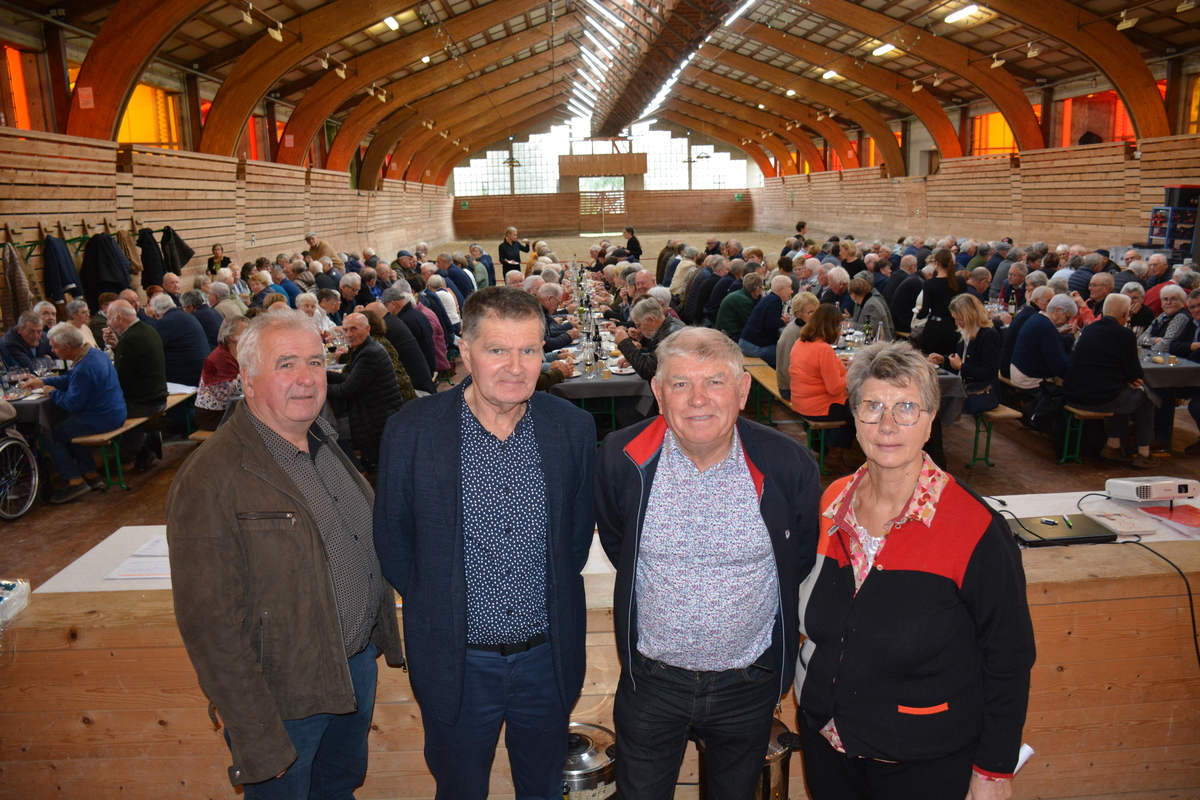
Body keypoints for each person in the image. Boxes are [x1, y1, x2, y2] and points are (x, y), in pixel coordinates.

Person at [167, 311, 402, 796]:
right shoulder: (213, 477)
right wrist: (255, 733)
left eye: (315, 362)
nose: (307, 378)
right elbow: (209, 624)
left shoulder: (324, 441)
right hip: (284, 697)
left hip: (354, 666)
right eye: (286, 364)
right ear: (249, 380)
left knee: (338, 788)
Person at [374, 286, 596, 799]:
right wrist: (438, 601)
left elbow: (574, 541)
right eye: (497, 349)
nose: (515, 367)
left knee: (542, 788)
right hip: (456, 660)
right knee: (459, 788)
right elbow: (393, 542)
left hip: (546, 659)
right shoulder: (412, 431)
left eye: (529, 350)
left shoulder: (572, 428)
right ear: (465, 350)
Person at [797, 340, 1035, 800]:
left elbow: (1009, 658)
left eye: (906, 407)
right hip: (828, 744)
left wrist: (993, 770)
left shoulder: (976, 528)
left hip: (923, 760)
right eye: (872, 407)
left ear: (930, 421)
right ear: (854, 416)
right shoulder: (832, 503)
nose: (887, 424)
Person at [593, 326, 821, 800]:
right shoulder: (621, 457)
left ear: (742, 390)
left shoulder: (788, 464)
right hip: (651, 682)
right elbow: (619, 543)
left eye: (715, 382)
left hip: (748, 683)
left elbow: (795, 559)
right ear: (659, 393)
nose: (698, 399)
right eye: (680, 384)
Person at [23, 322, 125, 503]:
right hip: (115, 411)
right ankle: (90, 474)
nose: (53, 351)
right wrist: (44, 382)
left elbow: (72, 404)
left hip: (102, 419)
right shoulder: (94, 354)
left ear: (67, 347)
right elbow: (71, 380)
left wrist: (52, 393)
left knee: (50, 433)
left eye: (55, 347)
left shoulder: (83, 369)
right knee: (71, 426)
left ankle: (74, 480)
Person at [1065, 293, 1157, 468]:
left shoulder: (1089, 329)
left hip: (1072, 394)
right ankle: (1144, 453)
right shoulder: (1125, 335)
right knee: (1146, 399)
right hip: (1100, 399)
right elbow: (1135, 373)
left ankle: (1114, 445)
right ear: (1125, 315)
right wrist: (1130, 378)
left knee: (1122, 393)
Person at [326, 312, 405, 472]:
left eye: (354, 329)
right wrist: (324, 375)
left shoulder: (369, 354)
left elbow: (346, 390)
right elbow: (352, 379)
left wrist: (318, 386)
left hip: (376, 421)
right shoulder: (368, 348)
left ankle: (356, 471)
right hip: (378, 414)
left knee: (328, 431)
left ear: (367, 329)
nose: (348, 334)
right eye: (345, 330)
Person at [103, 300, 167, 469]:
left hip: (144, 404)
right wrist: (117, 347)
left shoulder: (131, 339)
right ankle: (142, 445)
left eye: (109, 318)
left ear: (119, 317)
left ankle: (136, 448)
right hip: (157, 397)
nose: (108, 323)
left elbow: (119, 378)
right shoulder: (147, 330)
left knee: (100, 411)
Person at [789, 304, 854, 472]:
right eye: (838, 326)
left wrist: (838, 363)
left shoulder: (800, 342)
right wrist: (851, 373)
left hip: (800, 401)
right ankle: (835, 458)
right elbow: (835, 389)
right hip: (818, 406)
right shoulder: (823, 349)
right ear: (831, 327)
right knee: (857, 413)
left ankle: (824, 448)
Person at [928, 294, 1001, 415]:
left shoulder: (988, 335)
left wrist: (962, 367)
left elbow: (989, 371)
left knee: (937, 403)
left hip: (980, 391)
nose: (956, 322)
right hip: (964, 385)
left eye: (959, 319)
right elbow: (963, 358)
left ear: (970, 316)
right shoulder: (965, 331)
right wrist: (945, 360)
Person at [1009, 293, 1075, 389]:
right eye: (1067, 317)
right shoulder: (1047, 327)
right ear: (1057, 310)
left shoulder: (1037, 317)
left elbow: (1056, 343)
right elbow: (1060, 365)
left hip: (1020, 373)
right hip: (1029, 381)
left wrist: (1069, 335)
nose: (1067, 322)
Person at [194, 315, 248, 431]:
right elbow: (232, 394)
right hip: (213, 415)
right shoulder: (221, 357)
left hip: (229, 409)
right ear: (232, 336)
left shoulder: (237, 353)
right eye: (246, 331)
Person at [146, 293, 211, 387]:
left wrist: (149, 319)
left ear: (155, 313)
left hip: (184, 378)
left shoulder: (165, 322)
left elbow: (149, 346)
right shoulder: (187, 316)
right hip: (201, 371)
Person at [614, 297, 684, 381]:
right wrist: (634, 358)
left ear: (651, 320)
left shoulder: (670, 335)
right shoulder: (668, 325)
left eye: (639, 325)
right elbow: (654, 359)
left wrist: (624, 343)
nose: (638, 330)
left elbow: (649, 372)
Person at [915, 249, 962, 359]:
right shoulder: (960, 282)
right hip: (954, 327)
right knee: (949, 359)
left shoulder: (930, 284)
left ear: (936, 263)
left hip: (935, 327)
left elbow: (924, 311)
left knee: (929, 359)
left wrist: (918, 314)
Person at [738, 274, 793, 366]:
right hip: (753, 347)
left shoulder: (769, 298)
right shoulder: (776, 301)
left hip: (746, 342)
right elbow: (771, 326)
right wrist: (783, 321)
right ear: (780, 290)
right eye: (789, 288)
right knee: (788, 357)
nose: (792, 291)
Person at [776, 291, 819, 401]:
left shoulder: (805, 327)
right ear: (799, 314)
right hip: (790, 389)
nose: (815, 317)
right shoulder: (794, 333)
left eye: (817, 312)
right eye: (810, 313)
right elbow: (787, 368)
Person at [1137, 284, 1190, 351]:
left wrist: (1148, 345)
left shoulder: (1181, 317)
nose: (1168, 302)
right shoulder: (1162, 316)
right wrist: (1155, 340)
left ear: (1182, 302)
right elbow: (1139, 340)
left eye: (1173, 299)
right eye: (1165, 299)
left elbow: (1165, 345)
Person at [715, 272, 764, 343]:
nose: (761, 292)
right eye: (761, 288)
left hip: (725, 333)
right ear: (757, 289)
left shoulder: (739, 295)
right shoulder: (744, 301)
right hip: (731, 337)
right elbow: (751, 325)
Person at [848, 276, 894, 341]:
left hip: (880, 343)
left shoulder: (871, 306)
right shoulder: (862, 303)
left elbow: (871, 330)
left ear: (854, 295)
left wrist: (851, 325)